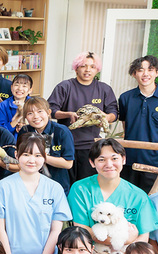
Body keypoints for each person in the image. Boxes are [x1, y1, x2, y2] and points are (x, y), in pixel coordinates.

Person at [67, 138, 158, 254]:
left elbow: (143, 236)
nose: (109, 164)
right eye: (101, 160)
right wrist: (126, 239)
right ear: (92, 163)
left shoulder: (137, 195)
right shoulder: (80, 189)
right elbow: (81, 229)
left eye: (114, 158)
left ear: (123, 159)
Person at [0, 132, 71, 254]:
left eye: (38, 155)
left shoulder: (54, 188)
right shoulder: (3, 187)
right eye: (26, 154)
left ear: (45, 157)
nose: (32, 160)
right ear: (17, 155)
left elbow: (56, 230)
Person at [48, 52, 118, 184]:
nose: (87, 70)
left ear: (97, 69)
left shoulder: (104, 89)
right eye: (83, 66)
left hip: (90, 146)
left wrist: (105, 117)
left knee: (86, 184)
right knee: (63, 184)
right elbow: (51, 110)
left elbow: (113, 112)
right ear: (76, 68)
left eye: (92, 67)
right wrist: (68, 114)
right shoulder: (65, 87)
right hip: (65, 145)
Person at [118, 56, 158, 194]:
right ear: (134, 74)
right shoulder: (125, 98)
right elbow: (125, 124)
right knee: (128, 197)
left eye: (150, 70)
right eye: (140, 70)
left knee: (153, 198)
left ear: (157, 72)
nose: (145, 74)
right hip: (130, 158)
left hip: (156, 159)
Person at [18, 96, 75, 194]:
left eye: (40, 111)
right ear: (26, 117)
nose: (36, 116)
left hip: (57, 186)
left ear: (48, 112)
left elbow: (68, 163)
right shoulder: (25, 131)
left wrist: (40, 156)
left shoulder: (62, 131)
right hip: (30, 186)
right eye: (30, 113)